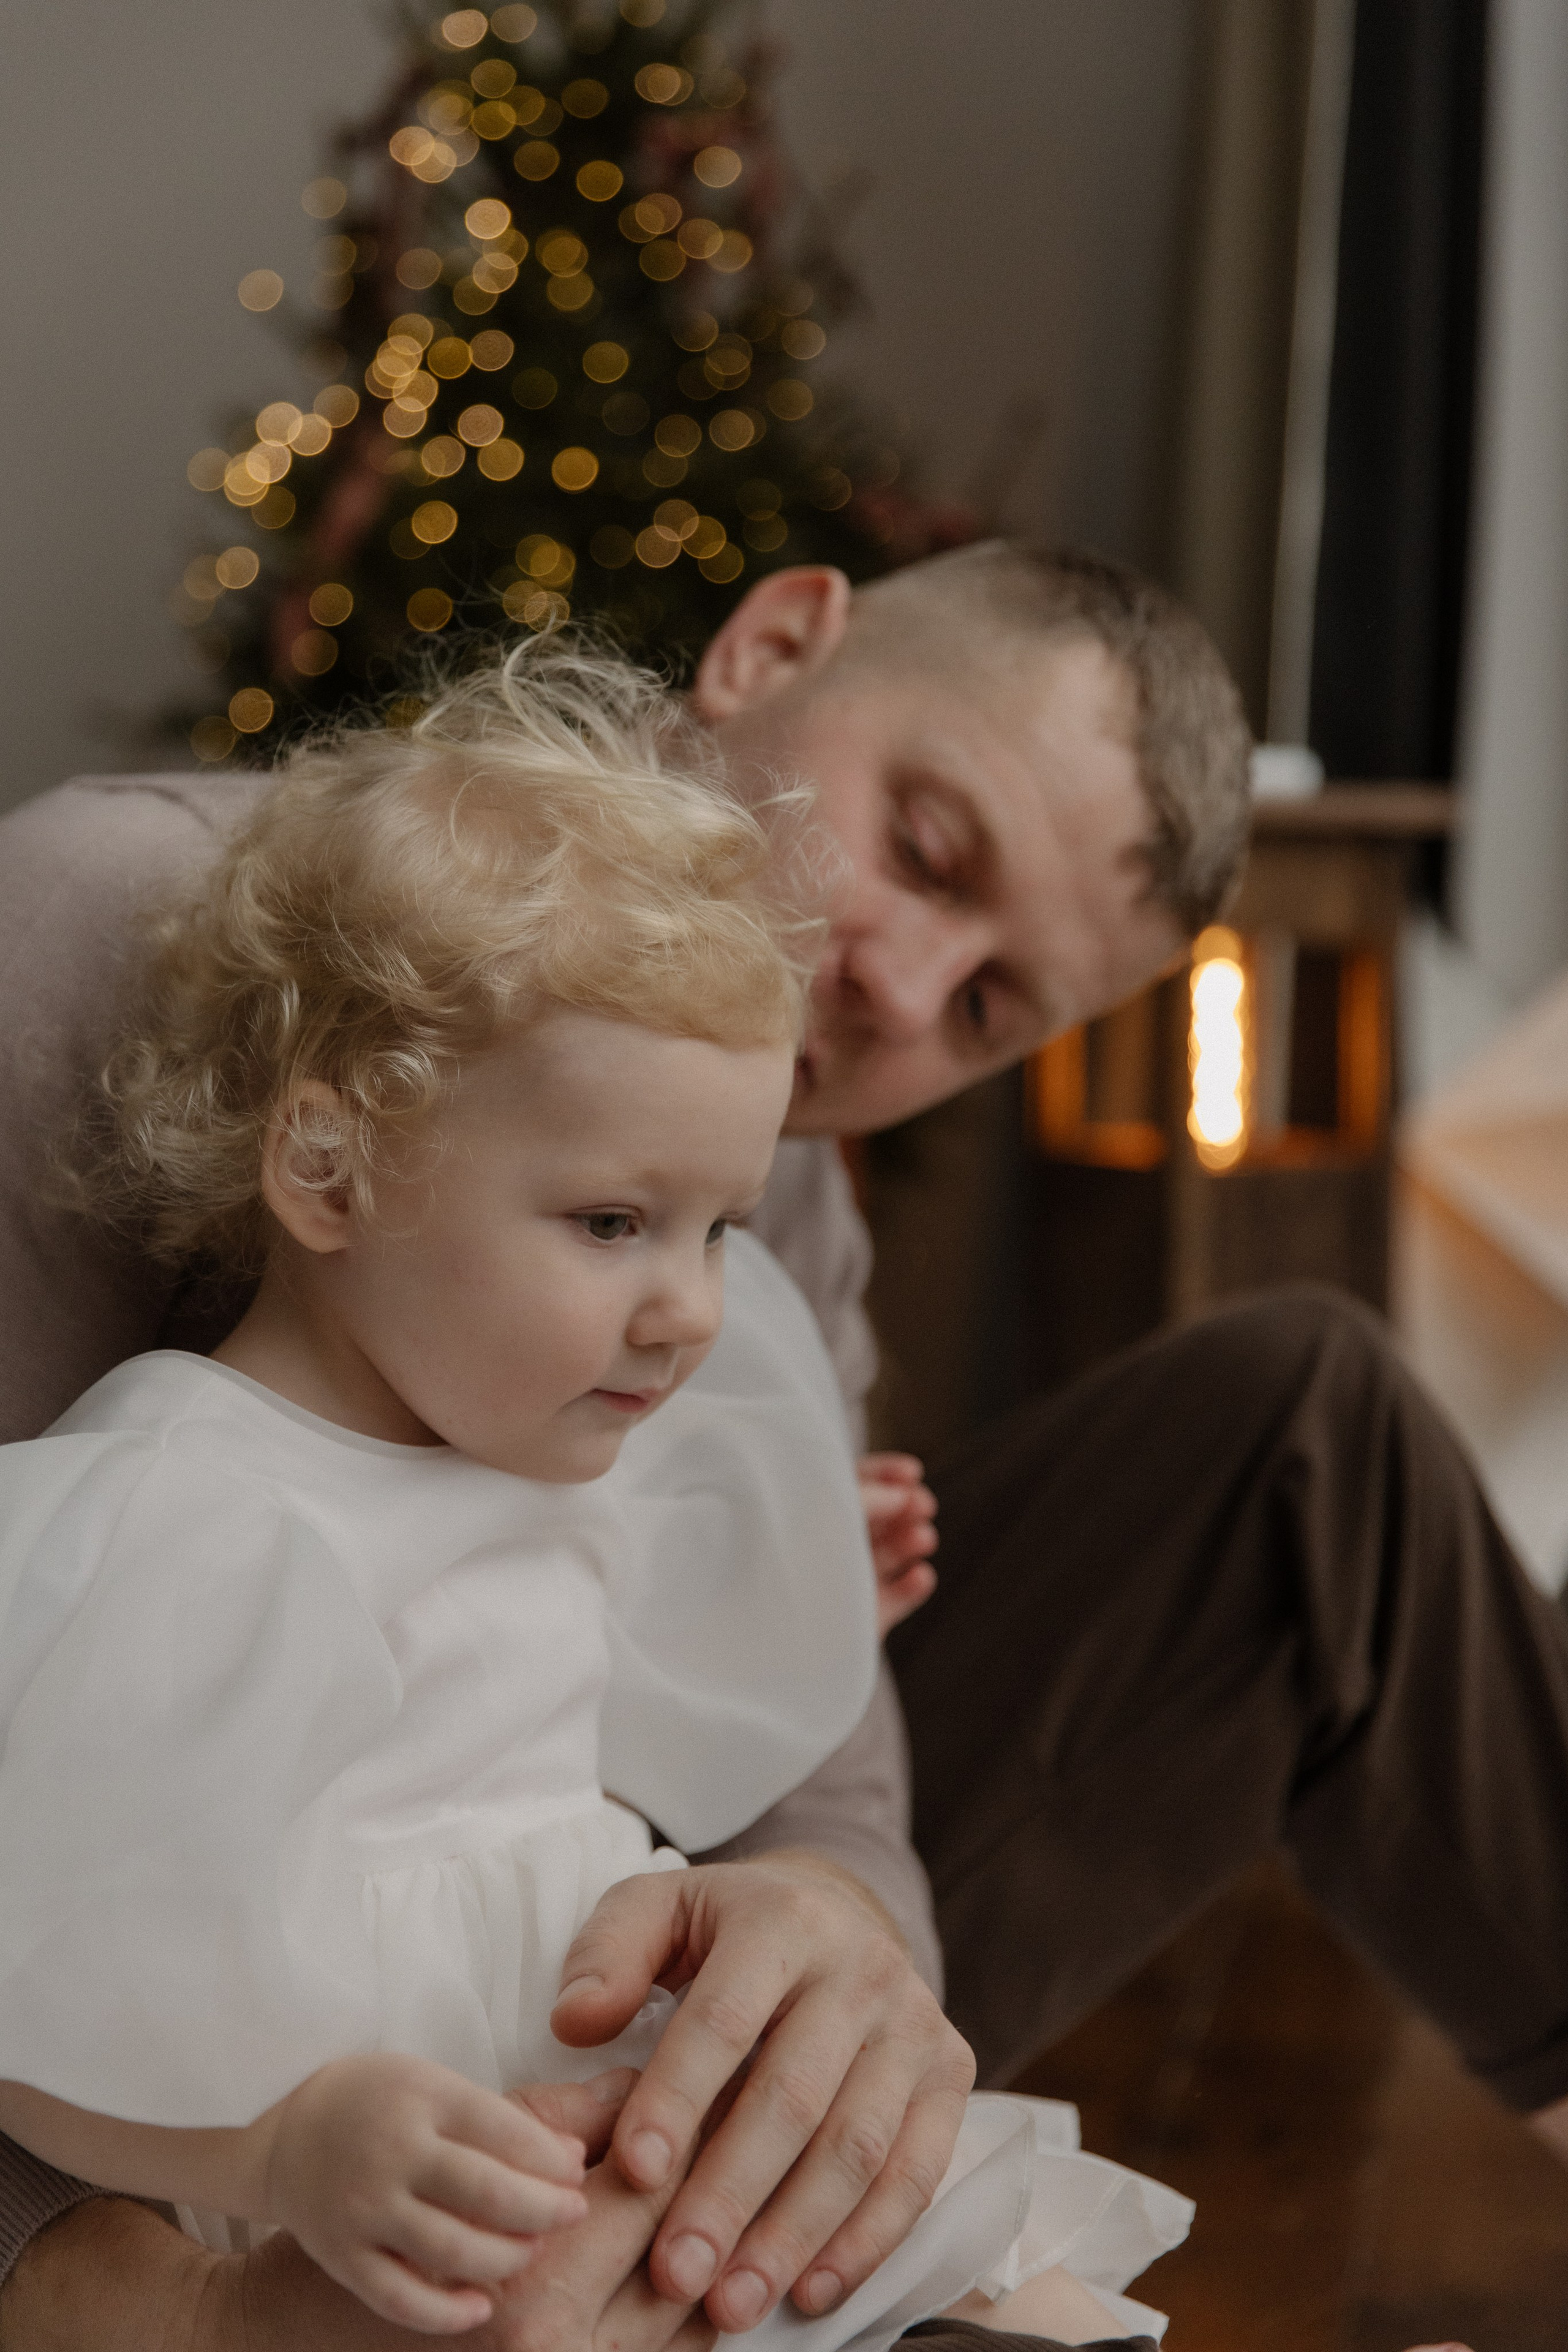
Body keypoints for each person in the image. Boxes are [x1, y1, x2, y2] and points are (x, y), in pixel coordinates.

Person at [0, 542, 1539, 2352]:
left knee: (1309, 1420)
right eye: (926, 847)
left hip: (562, 1961)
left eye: (990, 1011)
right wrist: (167, 2286)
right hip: (186, 2097)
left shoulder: (768, 1194)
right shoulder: (109, 934)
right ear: (772, 645)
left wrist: (834, 1934)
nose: (903, 991)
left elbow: (825, 1792)